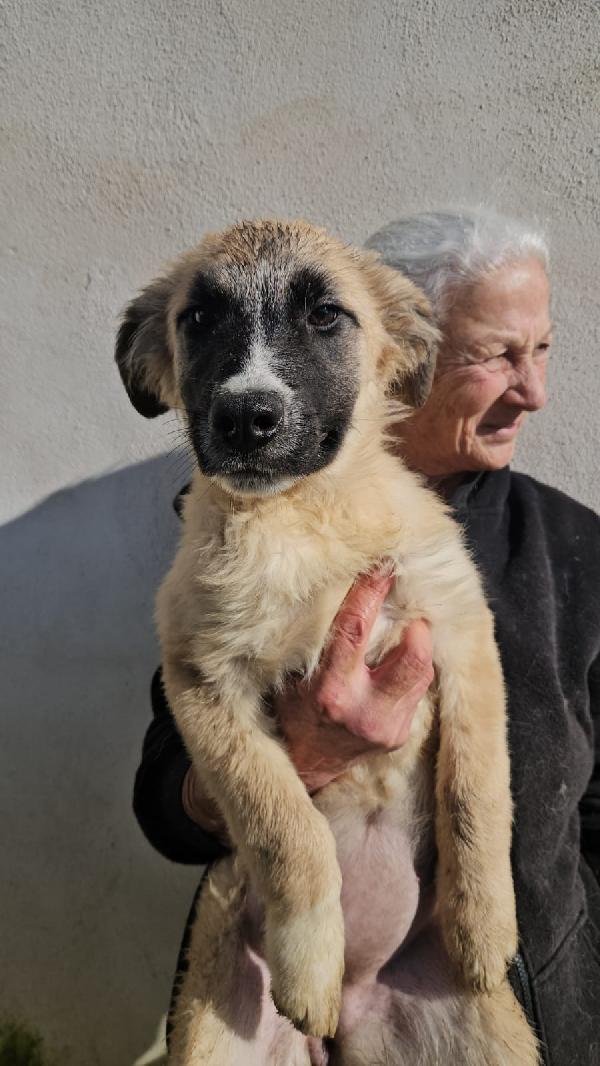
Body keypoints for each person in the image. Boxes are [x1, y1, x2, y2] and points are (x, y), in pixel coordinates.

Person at [133, 210, 600, 1065]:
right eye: (496, 353)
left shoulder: (578, 548)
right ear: (410, 355)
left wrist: (490, 876)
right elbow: (166, 793)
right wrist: (305, 756)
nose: (532, 389)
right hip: (270, 970)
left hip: (465, 981)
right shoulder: (222, 528)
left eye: (542, 351)